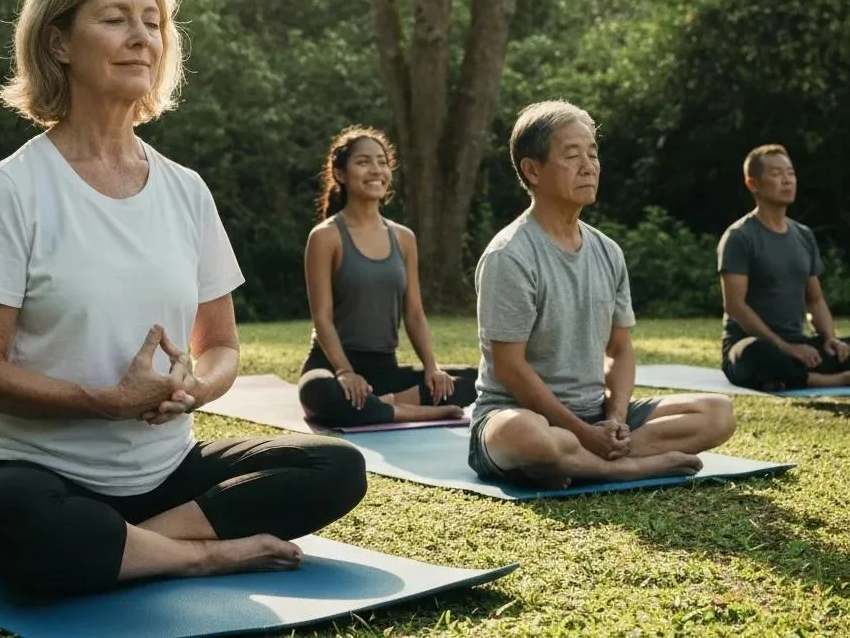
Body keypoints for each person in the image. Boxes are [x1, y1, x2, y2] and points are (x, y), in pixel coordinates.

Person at [0, 0, 367, 597]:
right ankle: (200, 555)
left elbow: (222, 345)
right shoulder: (15, 187)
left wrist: (200, 388)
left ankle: (139, 546)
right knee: (7, 516)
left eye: (152, 21)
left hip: (163, 476)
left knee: (337, 467)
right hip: (39, 474)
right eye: (115, 19)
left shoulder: (185, 189)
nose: (141, 37)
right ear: (60, 43)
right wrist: (107, 402)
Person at [469, 100, 736, 488]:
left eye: (593, 153)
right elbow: (510, 368)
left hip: (596, 414)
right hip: (519, 414)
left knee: (718, 413)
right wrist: (580, 430)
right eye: (572, 154)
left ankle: (575, 460)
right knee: (529, 437)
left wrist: (615, 418)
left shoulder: (607, 251)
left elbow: (620, 348)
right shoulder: (509, 255)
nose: (589, 165)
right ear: (532, 170)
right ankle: (624, 467)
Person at [297, 126, 477, 428]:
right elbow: (322, 317)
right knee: (319, 393)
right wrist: (344, 372)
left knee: (478, 379)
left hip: (385, 371)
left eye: (382, 162)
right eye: (363, 162)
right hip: (333, 366)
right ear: (340, 174)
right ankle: (418, 411)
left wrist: (432, 367)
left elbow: (415, 313)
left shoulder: (404, 238)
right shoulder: (326, 236)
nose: (376, 170)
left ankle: (383, 404)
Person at [718, 144, 850, 391]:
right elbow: (735, 306)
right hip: (753, 345)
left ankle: (791, 377)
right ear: (752, 184)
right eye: (777, 174)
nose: (787, 181)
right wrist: (785, 347)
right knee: (756, 354)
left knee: (844, 346)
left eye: (790, 173)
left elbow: (815, 300)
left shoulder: (803, 235)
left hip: (799, 346)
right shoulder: (739, 237)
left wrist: (829, 338)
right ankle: (832, 380)